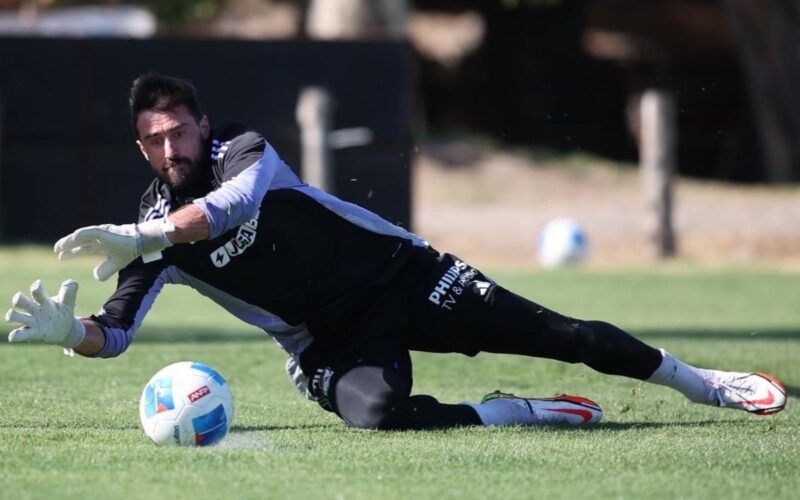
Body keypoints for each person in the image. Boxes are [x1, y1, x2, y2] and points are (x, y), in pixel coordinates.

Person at [4, 73, 787, 430]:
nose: (171, 145)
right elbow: (118, 333)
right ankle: (511, 413)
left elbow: (228, 210)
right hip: (326, 339)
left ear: (203, 126)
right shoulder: (143, 226)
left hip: (404, 276)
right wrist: (71, 335)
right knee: (377, 417)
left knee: (565, 335)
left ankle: (703, 383)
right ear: (140, 149)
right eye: (155, 138)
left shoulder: (244, 152)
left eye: (180, 129)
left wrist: (145, 236)